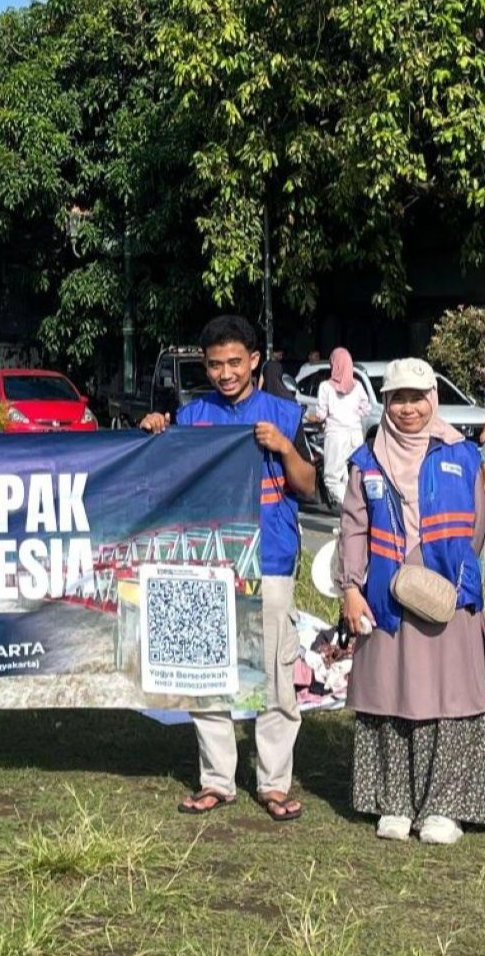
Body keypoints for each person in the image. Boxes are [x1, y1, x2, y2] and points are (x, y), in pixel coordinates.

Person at [142, 315, 316, 822]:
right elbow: (159, 474)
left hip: (273, 558)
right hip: (206, 560)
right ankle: (216, 779)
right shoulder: (192, 417)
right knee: (207, 669)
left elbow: (307, 487)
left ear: (255, 361)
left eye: (234, 362)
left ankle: (274, 782)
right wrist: (155, 432)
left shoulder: (283, 414)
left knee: (278, 676)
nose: (225, 373)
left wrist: (283, 449)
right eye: (215, 364)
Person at [337, 358, 485, 844]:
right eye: (397, 399)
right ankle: (394, 802)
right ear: (385, 403)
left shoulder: (463, 454)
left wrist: (454, 580)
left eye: (417, 397)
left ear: (433, 399)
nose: (408, 408)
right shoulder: (366, 461)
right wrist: (350, 588)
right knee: (390, 694)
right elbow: (353, 527)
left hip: (446, 595)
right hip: (386, 597)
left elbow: (477, 528)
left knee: (449, 699)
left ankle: (445, 806)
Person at [311, 347, 371, 507]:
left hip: (336, 436)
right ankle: (353, 514)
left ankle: (351, 508)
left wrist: (313, 417)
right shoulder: (357, 386)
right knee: (351, 477)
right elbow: (367, 408)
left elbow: (321, 414)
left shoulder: (325, 387)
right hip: (356, 435)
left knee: (331, 479)